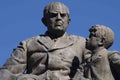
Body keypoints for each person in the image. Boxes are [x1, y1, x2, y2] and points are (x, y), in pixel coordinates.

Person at [0, 2, 88, 80]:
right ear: (44, 21)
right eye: (53, 15)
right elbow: (8, 71)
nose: (58, 18)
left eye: (63, 15)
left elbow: (96, 67)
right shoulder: (28, 44)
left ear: (69, 21)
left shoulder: (82, 43)